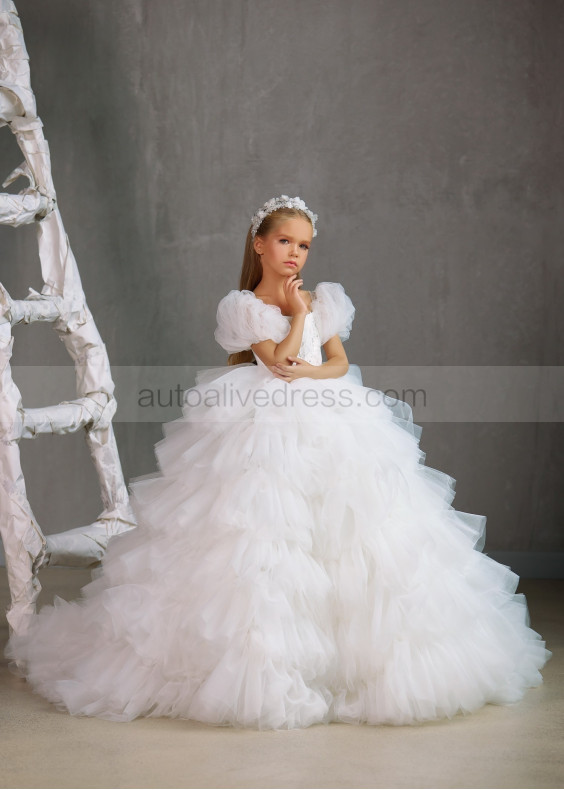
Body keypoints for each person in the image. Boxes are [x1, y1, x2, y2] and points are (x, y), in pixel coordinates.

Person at [5, 195, 551, 730]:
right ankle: (265, 661)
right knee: (264, 533)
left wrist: (309, 360)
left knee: (355, 528)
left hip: (330, 415)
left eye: (305, 246)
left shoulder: (323, 301)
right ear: (260, 244)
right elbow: (277, 359)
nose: (295, 254)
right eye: (285, 242)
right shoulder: (242, 306)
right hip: (259, 421)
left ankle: (352, 664)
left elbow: (334, 363)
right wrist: (293, 315)